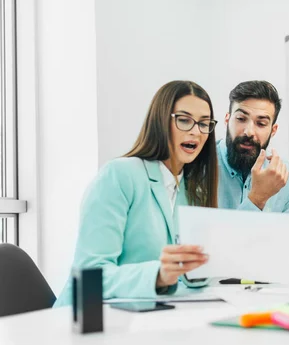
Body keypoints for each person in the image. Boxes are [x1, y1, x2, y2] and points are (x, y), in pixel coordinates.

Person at [54, 80, 217, 306]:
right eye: (184, 120)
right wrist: (158, 275)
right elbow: (89, 275)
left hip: (145, 319)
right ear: (161, 121)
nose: (195, 131)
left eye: (204, 123)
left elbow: (187, 278)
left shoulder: (192, 192)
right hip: (84, 321)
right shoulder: (120, 175)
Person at [217, 80, 289, 212]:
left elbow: (287, 233)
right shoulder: (199, 165)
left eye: (261, 123)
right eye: (241, 119)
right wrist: (257, 198)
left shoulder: (287, 177)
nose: (249, 132)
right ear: (227, 120)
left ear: (273, 130)